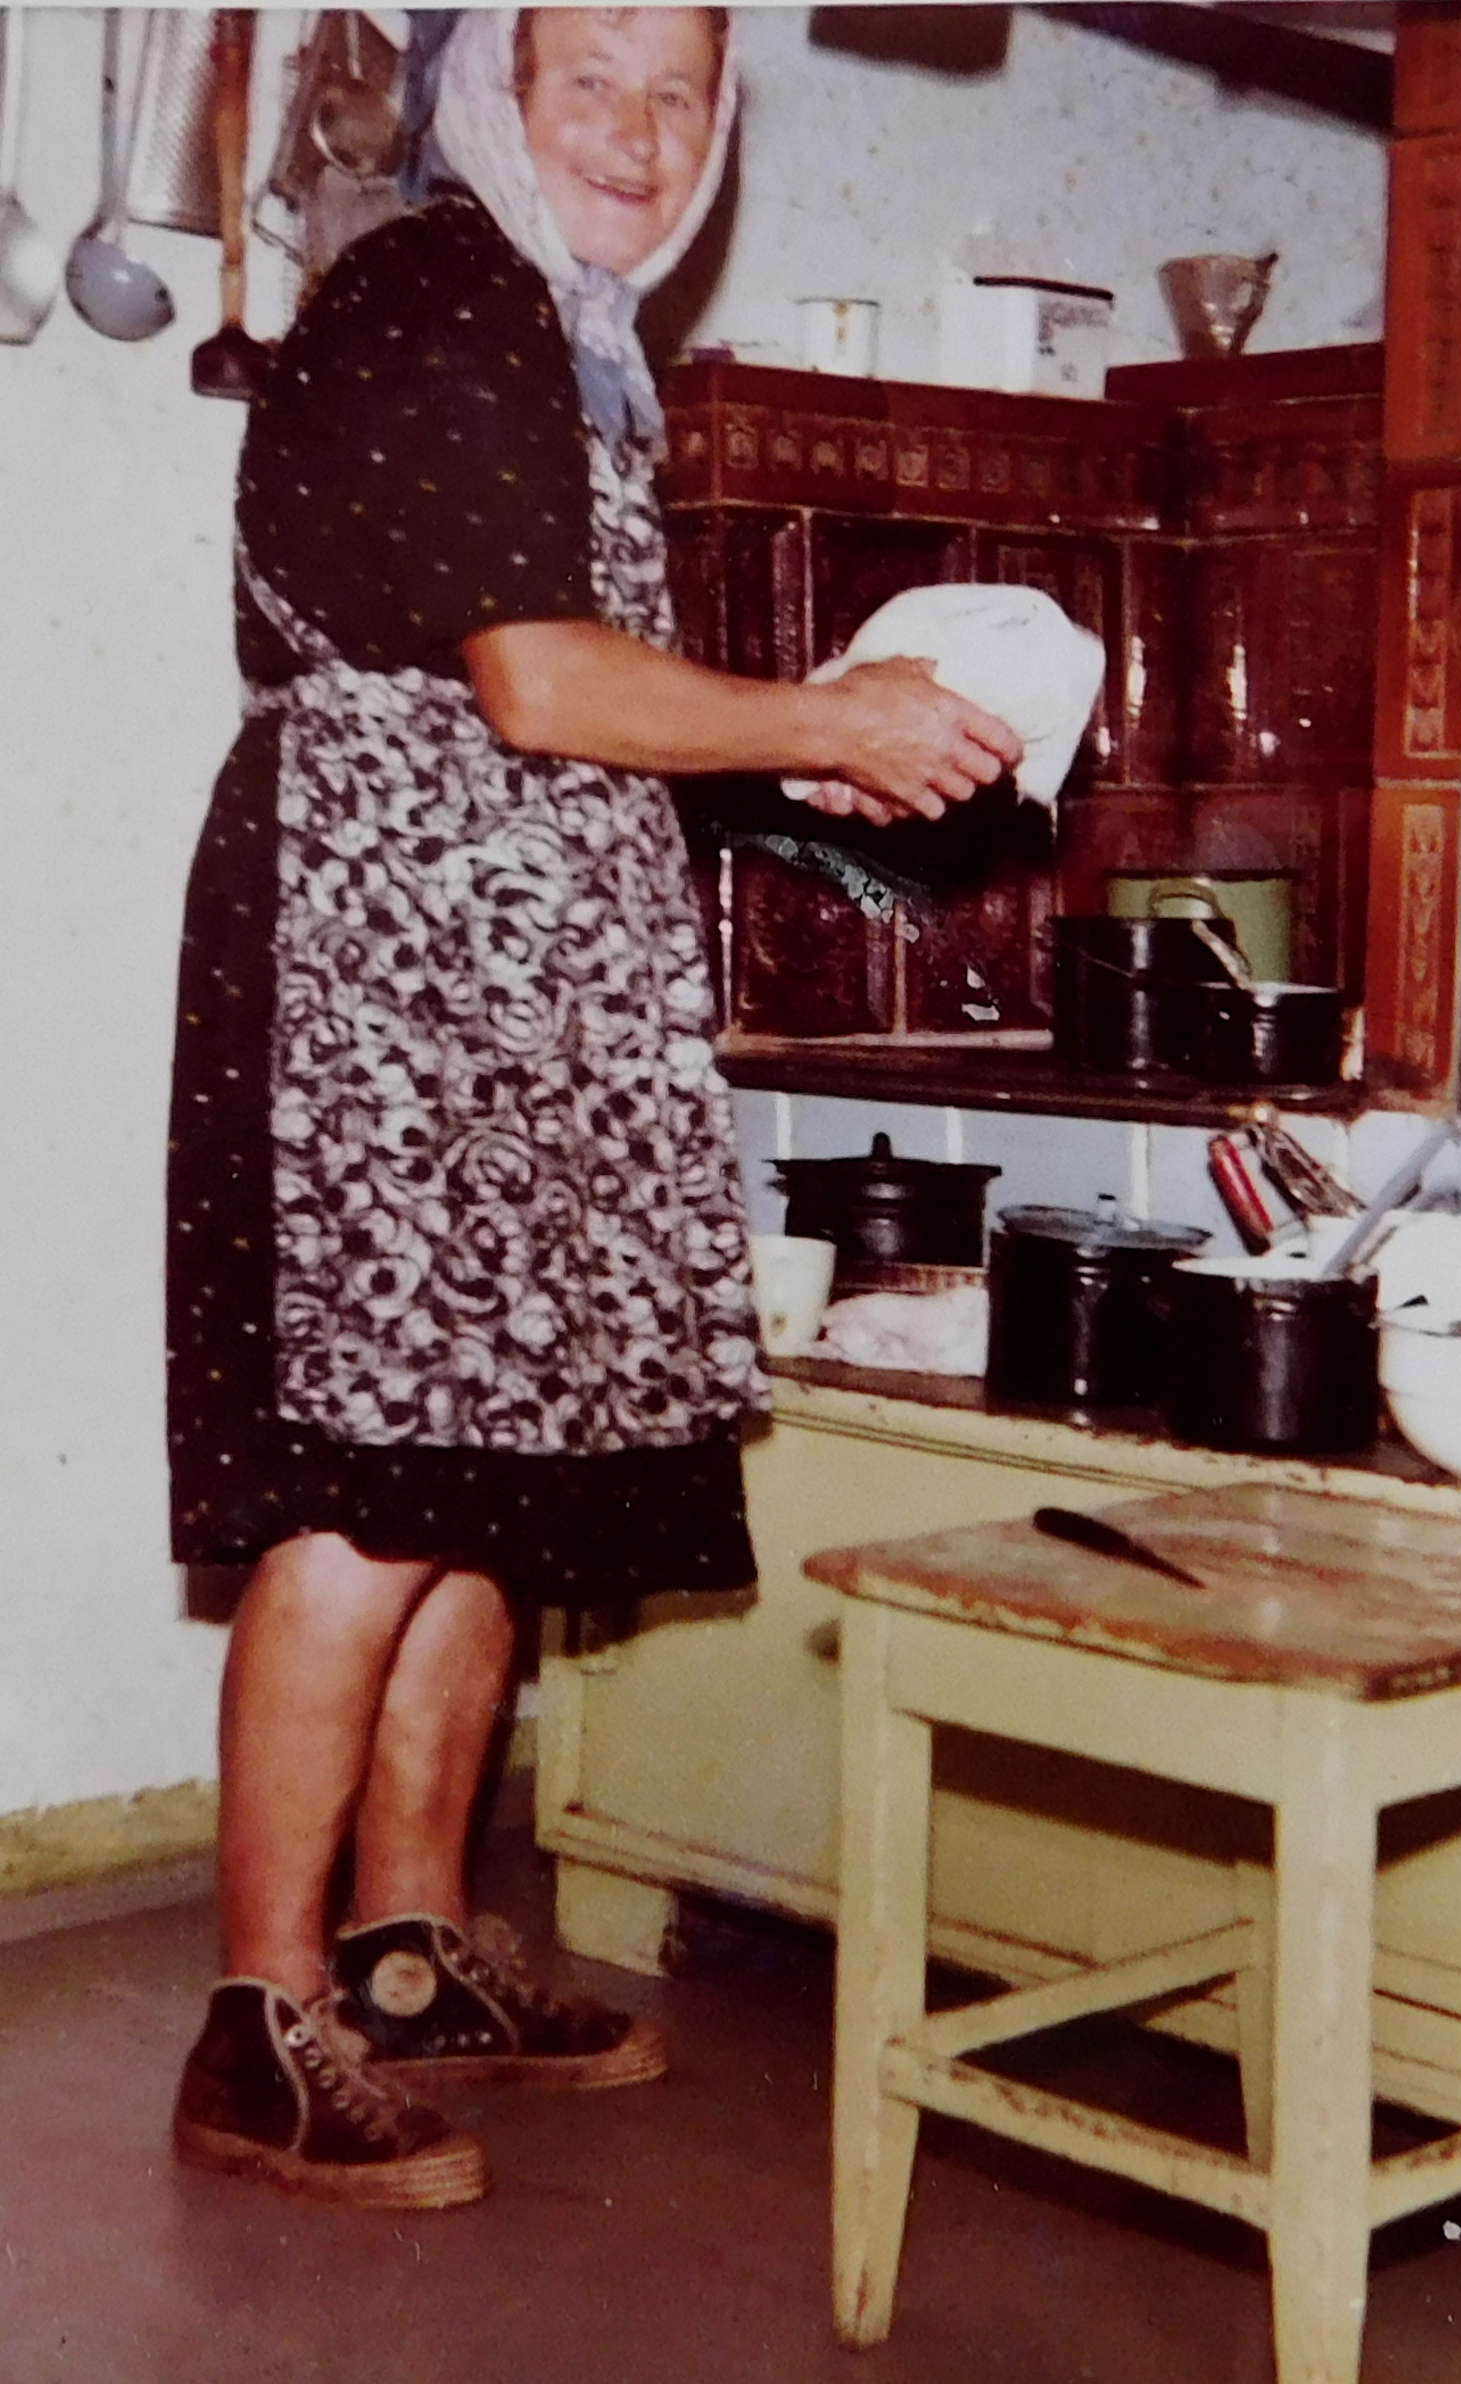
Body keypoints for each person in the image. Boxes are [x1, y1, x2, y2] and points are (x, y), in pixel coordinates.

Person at [166, 6, 1021, 2210]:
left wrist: (803, 757)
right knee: (370, 1468)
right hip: (388, 949)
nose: (641, 134)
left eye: (682, 93)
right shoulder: (445, 283)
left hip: (516, 942)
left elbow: (581, 702)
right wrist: (814, 714)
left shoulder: (570, 331)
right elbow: (533, 683)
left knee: (487, 1465)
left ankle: (411, 1951)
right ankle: (262, 2022)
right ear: (495, 97)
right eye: (591, 83)